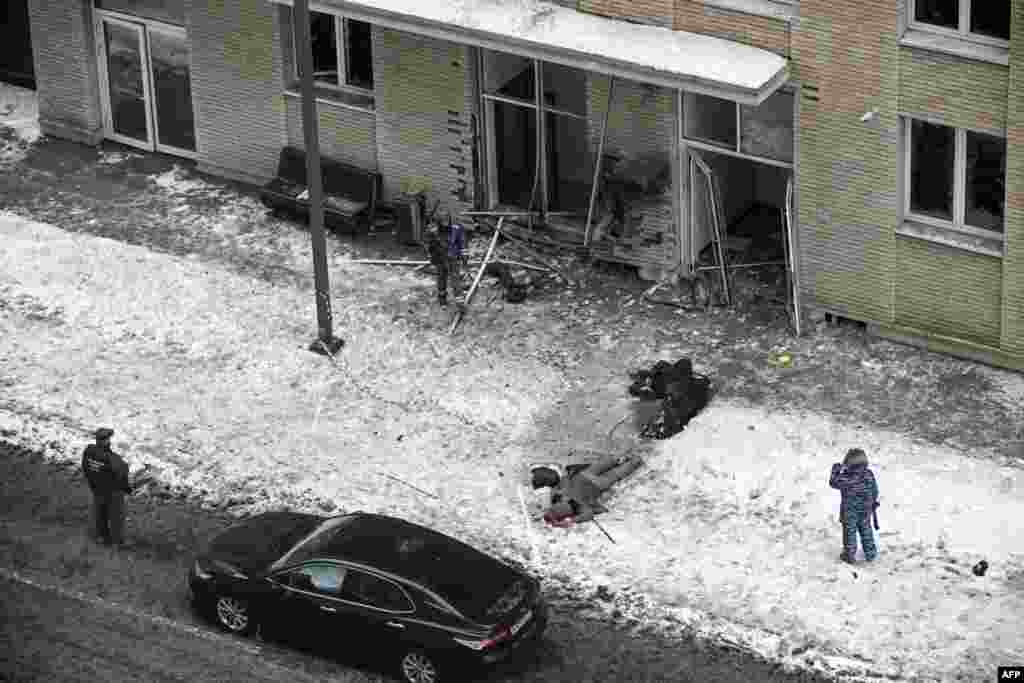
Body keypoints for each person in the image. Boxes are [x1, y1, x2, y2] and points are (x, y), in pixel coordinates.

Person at [531, 454, 644, 526]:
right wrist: (544, 512)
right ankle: (624, 457)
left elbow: (589, 514)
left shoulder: (578, 506)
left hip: (597, 484)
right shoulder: (560, 496)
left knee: (618, 471)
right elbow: (558, 484)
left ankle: (634, 460)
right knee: (611, 461)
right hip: (585, 475)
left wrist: (570, 521)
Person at [81, 427, 132, 547]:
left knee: (100, 514)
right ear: (107, 440)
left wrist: (92, 484)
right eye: (109, 439)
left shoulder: (89, 452)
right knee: (117, 517)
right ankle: (118, 541)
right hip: (113, 492)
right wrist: (127, 489)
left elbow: (85, 468)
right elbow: (122, 474)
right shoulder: (113, 458)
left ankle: (102, 537)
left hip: (97, 488)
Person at [829, 448, 879, 564]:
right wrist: (873, 501)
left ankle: (849, 555)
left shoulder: (846, 477)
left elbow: (833, 482)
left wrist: (835, 470)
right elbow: (874, 490)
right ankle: (870, 553)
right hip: (865, 510)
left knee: (849, 534)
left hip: (849, 512)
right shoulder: (869, 474)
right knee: (866, 531)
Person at [425, 218, 467, 308]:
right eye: (443, 222)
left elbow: (462, 242)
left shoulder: (456, 228)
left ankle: (460, 302)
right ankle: (442, 300)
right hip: (440, 258)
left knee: (455, 279)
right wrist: (432, 258)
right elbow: (430, 246)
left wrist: (464, 256)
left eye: (446, 221)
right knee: (442, 278)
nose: (445, 224)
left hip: (452, 258)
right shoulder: (433, 231)